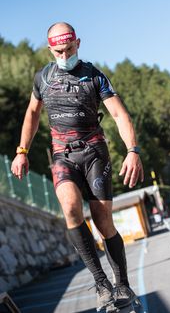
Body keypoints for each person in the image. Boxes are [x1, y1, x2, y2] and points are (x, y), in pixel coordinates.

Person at [11, 22, 144, 312]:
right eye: (58, 50)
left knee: (102, 219)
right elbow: (32, 114)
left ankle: (122, 284)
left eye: (69, 49)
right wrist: (22, 150)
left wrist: (132, 151)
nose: (64, 54)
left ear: (78, 43)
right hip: (63, 156)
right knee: (71, 209)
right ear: (50, 49)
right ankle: (101, 285)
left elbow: (120, 115)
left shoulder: (94, 76)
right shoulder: (43, 77)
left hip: (95, 153)